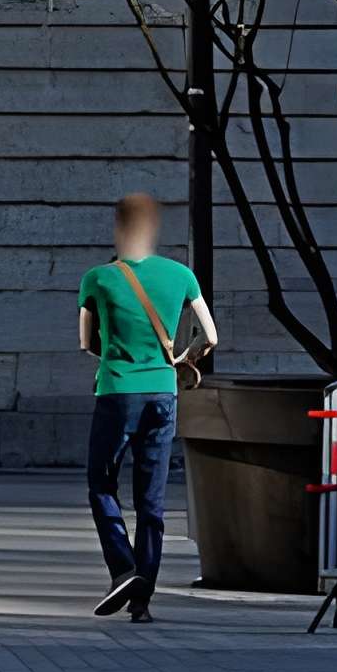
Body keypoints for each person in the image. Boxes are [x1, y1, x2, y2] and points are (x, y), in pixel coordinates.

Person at [78, 191, 218, 622]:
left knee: (101, 483)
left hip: (117, 391)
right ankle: (142, 601)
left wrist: (117, 354)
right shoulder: (182, 275)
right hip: (163, 394)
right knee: (151, 499)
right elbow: (210, 336)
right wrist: (182, 357)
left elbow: (86, 342)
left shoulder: (97, 279)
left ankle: (123, 568)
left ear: (119, 230)